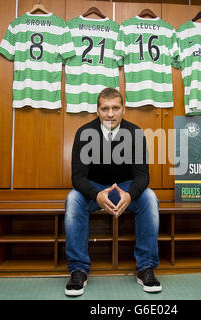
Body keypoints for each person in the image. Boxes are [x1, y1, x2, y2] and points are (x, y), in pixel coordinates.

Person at [64, 88, 161, 296]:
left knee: (150, 198)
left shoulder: (135, 133)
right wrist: (96, 195)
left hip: (125, 189)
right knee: (73, 199)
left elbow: (142, 175)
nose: (110, 114)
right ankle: (78, 270)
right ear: (97, 111)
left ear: (123, 109)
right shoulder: (84, 133)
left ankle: (145, 267)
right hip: (95, 190)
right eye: (105, 108)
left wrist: (130, 194)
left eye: (115, 108)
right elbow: (78, 177)